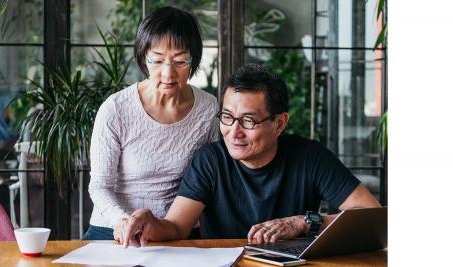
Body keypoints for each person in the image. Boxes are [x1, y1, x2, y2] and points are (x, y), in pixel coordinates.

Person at [118, 63, 381, 247]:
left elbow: (373, 218)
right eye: (228, 117)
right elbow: (176, 227)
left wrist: (304, 222)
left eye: (248, 121)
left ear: (279, 124)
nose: (234, 132)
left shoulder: (309, 156)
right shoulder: (210, 160)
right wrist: (149, 222)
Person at [83, 6, 218, 240]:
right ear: (143, 59)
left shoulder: (208, 109)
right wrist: (123, 222)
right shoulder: (115, 109)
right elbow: (99, 186)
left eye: (180, 61)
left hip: (175, 232)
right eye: (156, 60)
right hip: (113, 229)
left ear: (193, 59)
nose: (168, 73)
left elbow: (211, 176)